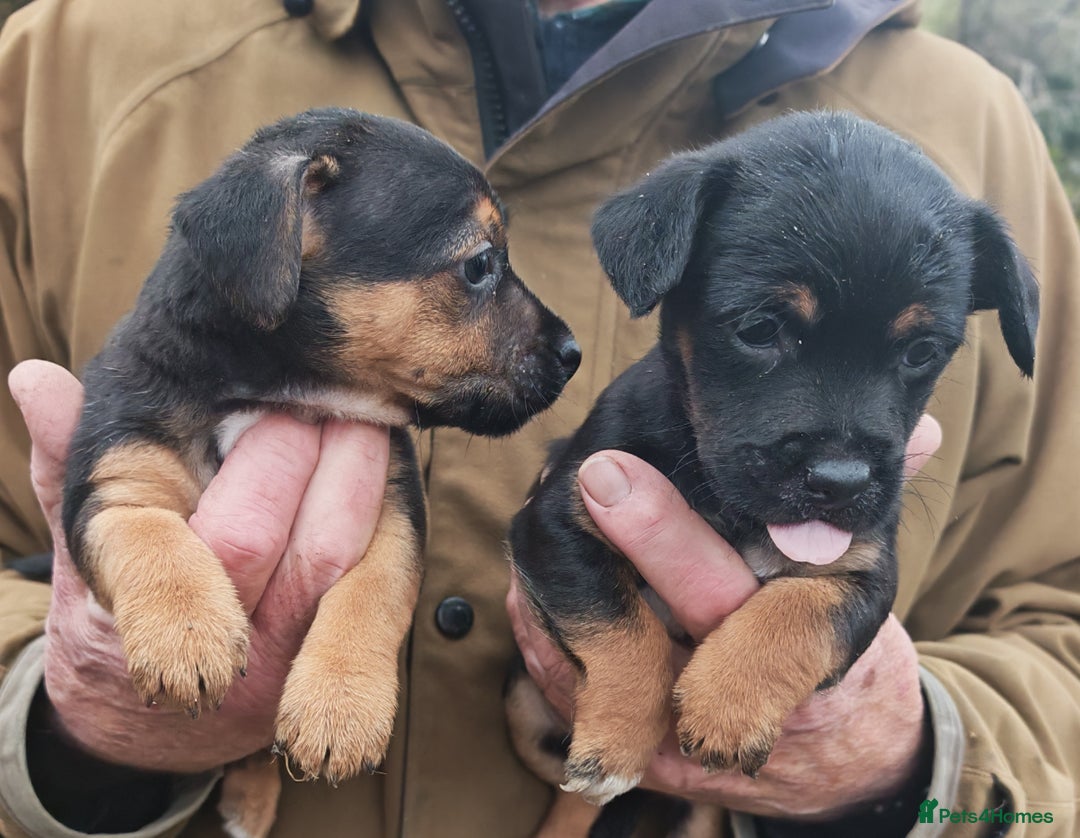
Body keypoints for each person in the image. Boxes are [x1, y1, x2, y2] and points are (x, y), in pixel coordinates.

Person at [0, 0, 1077, 836]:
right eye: (765, 332)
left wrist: (918, 768)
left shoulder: (971, 137)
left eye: (919, 355)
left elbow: (1057, 631)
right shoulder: (73, 60)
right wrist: (55, 731)